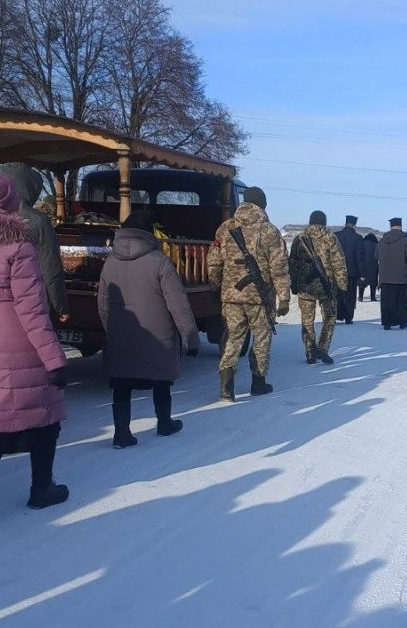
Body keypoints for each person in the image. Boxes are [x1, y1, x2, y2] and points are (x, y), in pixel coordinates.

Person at [0, 172, 69, 530]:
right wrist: (55, 359)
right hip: (17, 344)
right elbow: (31, 310)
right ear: (11, 202)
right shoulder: (18, 246)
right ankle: (42, 489)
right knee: (45, 417)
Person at [97, 208, 200, 447]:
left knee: (121, 384)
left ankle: (121, 433)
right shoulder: (160, 261)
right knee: (161, 379)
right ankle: (164, 423)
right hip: (157, 335)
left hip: (121, 335)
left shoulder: (110, 262)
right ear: (148, 232)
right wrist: (190, 338)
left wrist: (111, 329)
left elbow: (102, 302)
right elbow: (178, 304)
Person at [207, 187, 290, 400]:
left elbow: (214, 261)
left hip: (232, 297)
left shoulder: (225, 228)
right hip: (260, 299)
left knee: (233, 338)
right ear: (262, 205)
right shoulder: (270, 231)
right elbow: (279, 267)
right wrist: (284, 297)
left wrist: (215, 285)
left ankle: (226, 388)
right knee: (261, 339)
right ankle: (258, 383)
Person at [0, 162, 69, 320]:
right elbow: (50, 267)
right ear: (31, 187)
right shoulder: (39, 221)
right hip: (30, 301)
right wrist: (60, 306)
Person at [288, 210, 348, 364]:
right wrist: (342, 286)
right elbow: (339, 264)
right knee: (329, 317)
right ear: (324, 222)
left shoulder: (299, 239)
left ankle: (310, 352)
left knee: (307, 321)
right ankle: (322, 348)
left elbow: (292, 264)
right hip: (326, 287)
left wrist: (294, 285)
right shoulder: (331, 238)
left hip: (305, 287)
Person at [375, 217, 407, 330]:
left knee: (386, 301)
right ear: (400, 226)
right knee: (400, 301)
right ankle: (403, 321)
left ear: (391, 226)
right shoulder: (405, 240)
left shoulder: (382, 240)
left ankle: (387, 322)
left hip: (384, 276)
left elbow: (376, 256)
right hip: (400, 276)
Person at [334, 214, 366, 323]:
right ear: (354, 225)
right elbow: (359, 257)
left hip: (336, 271)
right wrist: (362, 273)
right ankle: (348, 317)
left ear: (345, 223)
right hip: (352, 272)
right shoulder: (358, 238)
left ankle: (336, 315)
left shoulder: (335, 236)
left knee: (337, 294)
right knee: (350, 296)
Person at [359, 232, 379, 301]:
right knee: (373, 283)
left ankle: (360, 297)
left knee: (362, 282)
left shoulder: (362, 243)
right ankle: (373, 297)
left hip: (363, 265)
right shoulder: (376, 244)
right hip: (373, 265)